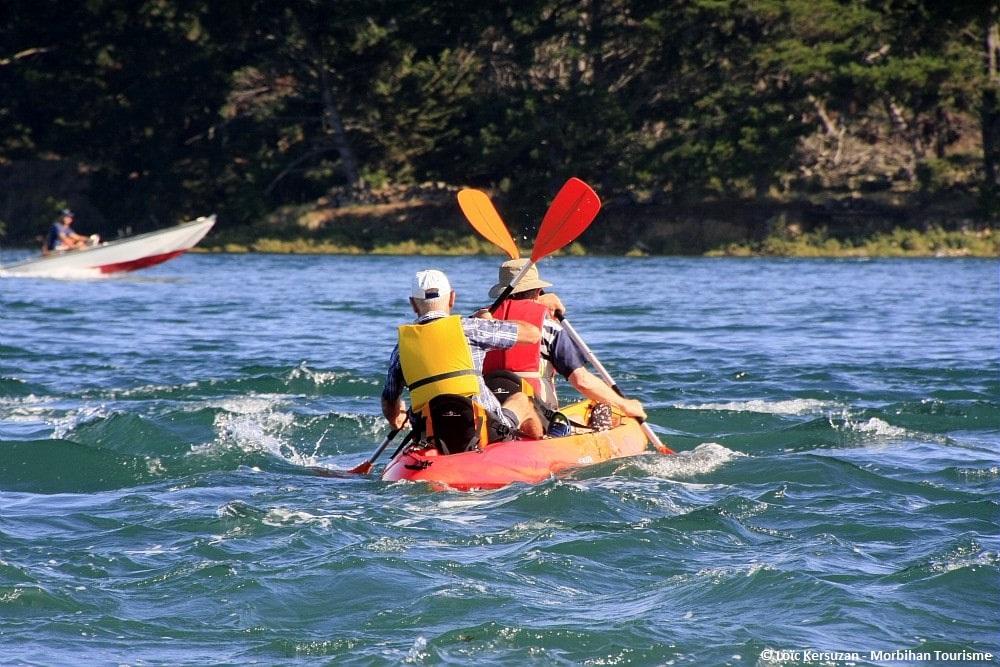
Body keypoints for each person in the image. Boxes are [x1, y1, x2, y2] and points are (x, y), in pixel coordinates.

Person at [381, 269, 544, 446]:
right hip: (481, 430)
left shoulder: (401, 349)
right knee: (521, 400)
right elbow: (533, 334)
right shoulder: (472, 328)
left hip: (430, 435)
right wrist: (488, 321)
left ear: (413, 304)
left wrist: (395, 420)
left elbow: (390, 400)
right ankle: (538, 448)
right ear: (452, 298)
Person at [483, 258, 647, 423]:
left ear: (500, 292)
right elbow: (582, 381)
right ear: (538, 290)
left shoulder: (476, 325)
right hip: (536, 420)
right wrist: (625, 404)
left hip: (489, 417)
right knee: (593, 414)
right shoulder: (549, 328)